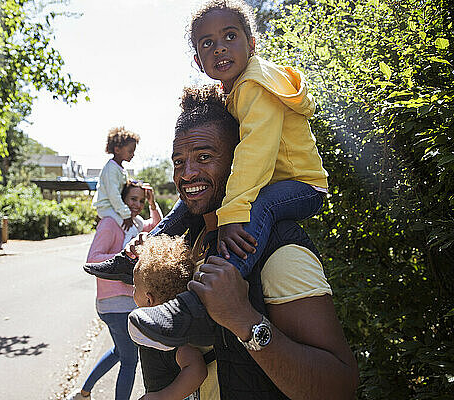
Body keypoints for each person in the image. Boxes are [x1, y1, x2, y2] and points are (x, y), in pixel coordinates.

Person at [126, 86, 358, 398]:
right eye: (179, 161)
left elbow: (339, 387)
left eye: (204, 157)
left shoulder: (281, 253)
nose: (187, 173)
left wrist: (243, 319)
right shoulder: (190, 239)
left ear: (241, 162)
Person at [85, 0, 328, 285]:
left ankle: (220, 285)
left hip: (302, 186)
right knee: (188, 201)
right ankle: (142, 254)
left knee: (259, 207)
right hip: (273, 181)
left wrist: (232, 214)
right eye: (207, 43)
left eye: (230, 36)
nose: (220, 48)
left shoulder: (255, 85)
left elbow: (255, 153)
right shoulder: (233, 89)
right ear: (199, 61)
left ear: (252, 44)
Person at [66, 181, 162, 400]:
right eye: (132, 199)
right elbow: (92, 260)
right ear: (121, 199)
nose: (137, 205)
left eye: (140, 200)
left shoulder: (136, 223)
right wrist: (124, 257)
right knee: (130, 360)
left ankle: (83, 393)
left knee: (120, 352)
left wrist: (152, 203)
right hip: (113, 304)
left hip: (127, 302)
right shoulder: (111, 223)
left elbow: (158, 226)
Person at [132, 235, 220, 400]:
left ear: (149, 299)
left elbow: (197, 370)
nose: (132, 291)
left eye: (135, 287)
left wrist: (161, 397)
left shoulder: (168, 335)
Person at [92, 127, 141, 241]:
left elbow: (124, 186)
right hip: (106, 207)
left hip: (114, 207)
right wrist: (126, 215)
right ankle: (125, 255)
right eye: (130, 151)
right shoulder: (111, 169)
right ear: (117, 149)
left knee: (140, 223)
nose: (133, 154)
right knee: (132, 230)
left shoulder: (119, 168)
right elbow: (114, 195)